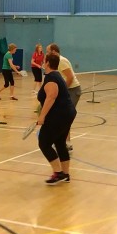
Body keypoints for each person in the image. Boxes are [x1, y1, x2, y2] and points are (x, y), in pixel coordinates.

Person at [36, 52, 77, 185]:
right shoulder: (56, 75)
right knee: (60, 143)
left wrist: (42, 116)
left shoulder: (51, 78)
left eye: (44, 60)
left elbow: (51, 97)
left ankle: (58, 173)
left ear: (47, 63)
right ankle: (65, 174)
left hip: (59, 115)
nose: (42, 62)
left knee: (44, 142)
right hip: (67, 114)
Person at [46, 43, 81, 152]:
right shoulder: (56, 62)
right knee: (63, 118)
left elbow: (70, 78)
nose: (46, 54)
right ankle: (64, 143)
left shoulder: (61, 61)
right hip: (68, 91)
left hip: (72, 90)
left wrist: (62, 91)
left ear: (54, 52)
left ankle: (66, 144)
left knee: (65, 118)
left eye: (48, 51)